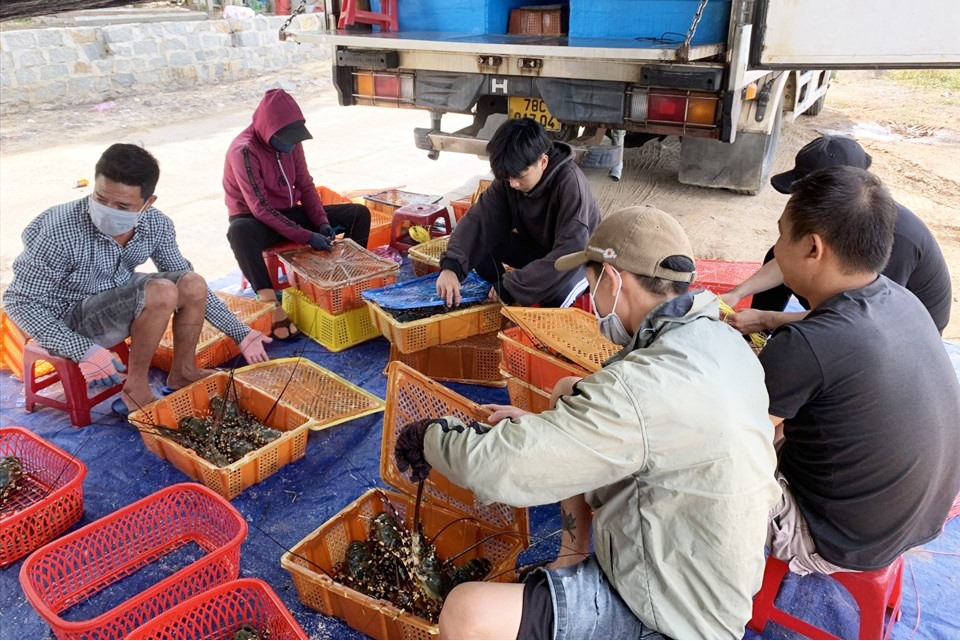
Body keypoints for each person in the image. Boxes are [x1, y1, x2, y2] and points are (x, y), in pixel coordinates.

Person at [396, 206, 781, 639]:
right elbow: (649, 428)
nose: (594, 301)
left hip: (669, 616)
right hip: (708, 580)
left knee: (467, 612)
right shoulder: (723, 341)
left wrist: (429, 438)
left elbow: (504, 468)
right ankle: (572, 554)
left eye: (591, 284)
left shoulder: (640, 389)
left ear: (612, 280)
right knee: (567, 390)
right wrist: (551, 424)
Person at [759, 166, 960, 576]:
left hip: (834, 541)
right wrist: (766, 320)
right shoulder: (903, 300)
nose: (776, 248)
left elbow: (735, 436)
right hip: (921, 516)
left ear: (813, 248)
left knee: (693, 453)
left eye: (780, 235)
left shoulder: (807, 346)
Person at [3, 144, 271, 416]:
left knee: (192, 282)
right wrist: (82, 349)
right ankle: (136, 388)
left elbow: (189, 283)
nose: (108, 210)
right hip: (66, 319)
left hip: (114, 300)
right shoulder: (58, 230)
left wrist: (241, 333)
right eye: (100, 199)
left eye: (122, 206)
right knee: (162, 291)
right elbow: (19, 302)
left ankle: (183, 371)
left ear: (148, 202)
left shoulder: (155, 225)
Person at [722, 135, 951, 334]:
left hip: (896, 332)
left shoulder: (897, 237)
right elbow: (790, 258)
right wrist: (738, 293)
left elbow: (859, 315)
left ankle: (761, 330)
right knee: (784, 253)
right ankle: (756, 339)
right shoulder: (844, 216)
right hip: (857, 310)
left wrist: (767, 319)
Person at [223, 88, 372, 339]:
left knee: (358, 214)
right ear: (269, 130)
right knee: (239, 232)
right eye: (287, 139)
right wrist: (307, 236)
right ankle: (271, 305)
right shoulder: (244, 151)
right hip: (255, 219)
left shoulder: (293, 144)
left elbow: (305, 184)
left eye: (295, 139)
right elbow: (260, 208)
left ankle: (347, 279)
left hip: (289, 212)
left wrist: (321, 222)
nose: (291, 145)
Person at [436, 118, 601, 308]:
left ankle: (511, 291)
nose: (513, 184)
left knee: (556, 297)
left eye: (520, 177)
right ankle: (500, 295)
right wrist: (451, 267)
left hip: (578, 260)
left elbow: (572, 249)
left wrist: (515, 286)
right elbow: (479, 219)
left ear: (543, 162)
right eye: (508, 178)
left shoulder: (571, 185)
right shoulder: (509, 179)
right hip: (539, 252)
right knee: (481, 242)